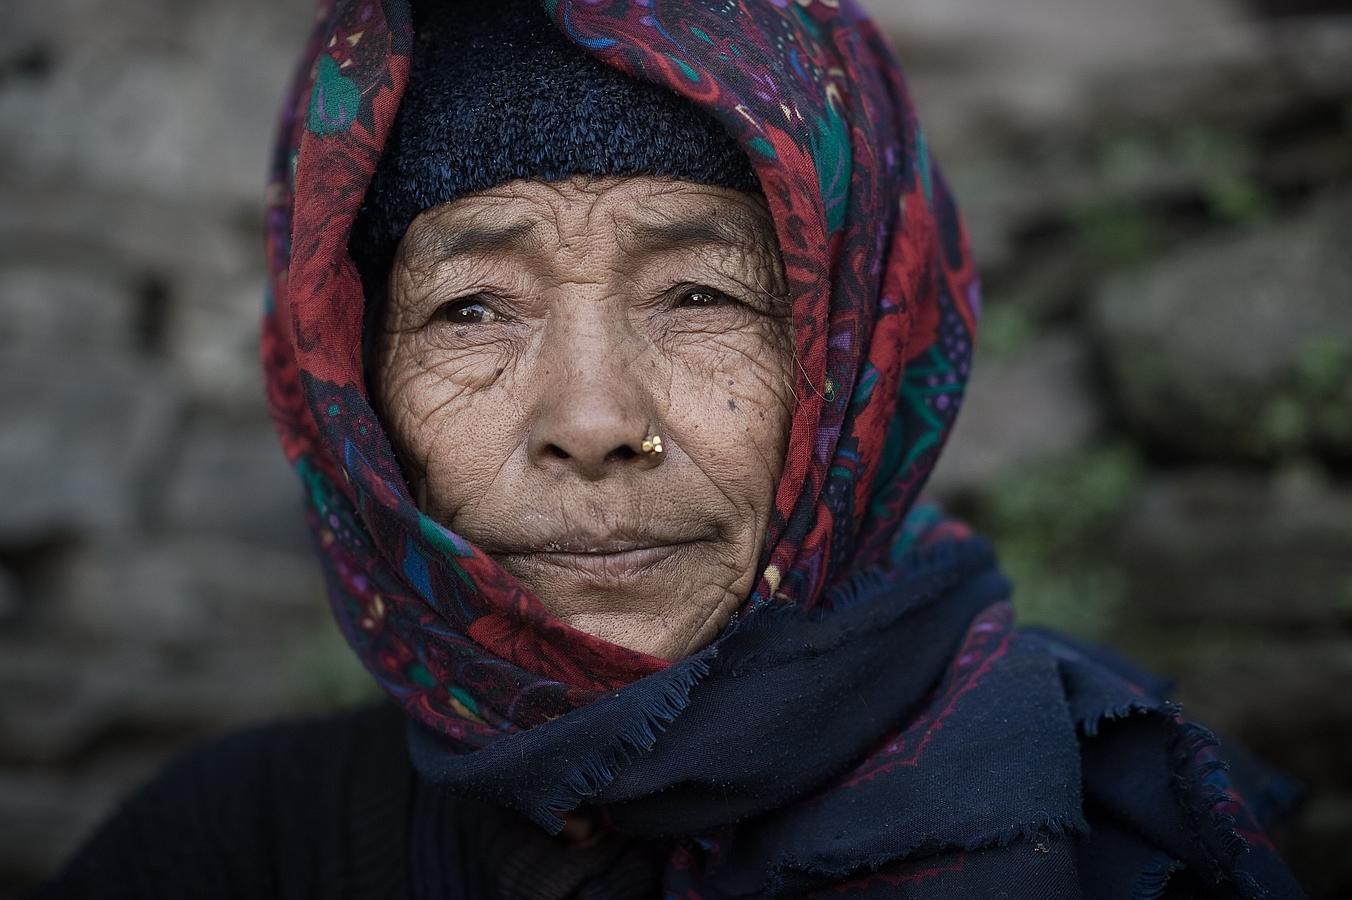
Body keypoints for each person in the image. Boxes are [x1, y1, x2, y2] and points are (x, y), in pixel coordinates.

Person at [35, 0, 1306, 897]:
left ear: (856, 354)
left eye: (701, 295)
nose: (591, 423)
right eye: (470, 309)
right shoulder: (232, 851)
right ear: (355, 393)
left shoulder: (1110, 837)